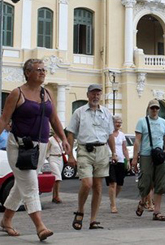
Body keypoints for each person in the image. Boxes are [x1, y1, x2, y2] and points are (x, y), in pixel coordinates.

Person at [0, 58, 69, 241]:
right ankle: (40, 227)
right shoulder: (17, 93)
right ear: (28, 73)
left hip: (40, 146)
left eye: (44, 69)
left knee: (21, 186)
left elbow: (54, 119)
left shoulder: (47, 93)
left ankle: (6, 221)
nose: (43, 72)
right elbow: (3, 120)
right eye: (38, 70)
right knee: (31, 185)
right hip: (19, 147)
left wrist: (63, 139)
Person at [67, 84, 116, 230]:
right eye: (93, 93)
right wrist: (70, 154)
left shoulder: (106, 113)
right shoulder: (79, 112)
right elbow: (70, 132)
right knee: (87, 183)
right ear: (88, 95)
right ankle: (80, 210)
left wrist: (114, 152)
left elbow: (110, 134)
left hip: (102, 150)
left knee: (98, 187)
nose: (96, 96)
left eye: (98, 94)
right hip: (85, 150)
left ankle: (93, 219)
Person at [131, 99, 165, 221]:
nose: (154, 110)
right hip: (146, 155)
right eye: (152, 108)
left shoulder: (163, 122)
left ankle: (157, 211)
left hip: (159, 156)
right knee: (145, 181)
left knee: (161, 182)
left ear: (159, 109)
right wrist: (135, 157)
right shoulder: (142, 122)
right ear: (148, 109)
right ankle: (143, 201)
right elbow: (137, 140)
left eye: (156, 108)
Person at [106, 114, 130, 213]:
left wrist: (127, 160)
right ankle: (113, 205)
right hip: (110, 161)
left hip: (120, 161)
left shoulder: (122, 135)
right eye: (117, 122)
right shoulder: (108, 134)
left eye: (120, 122)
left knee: (119, 184)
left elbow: (124, 148)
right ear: (113, 123)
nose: (118, 124)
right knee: (113, 183)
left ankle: (113, 199)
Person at [46, 131, 64, 204]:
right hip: (53, 158)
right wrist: (46, 159)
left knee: (56, 179)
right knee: (58, 178)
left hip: (60, 158)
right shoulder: (50, 139)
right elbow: (46, 150)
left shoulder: (61, 139)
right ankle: (57, 196)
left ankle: (54, 196)